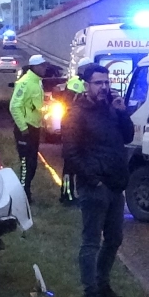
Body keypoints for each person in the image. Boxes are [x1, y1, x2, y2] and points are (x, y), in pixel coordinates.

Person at [64, 62, 134, 297]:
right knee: (91, 241)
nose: (104, 87)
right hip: (95, 187)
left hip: (115, 186)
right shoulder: (77, 114)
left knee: (114, 239)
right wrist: (92, 180)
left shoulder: (112, 109)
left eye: (106, 82)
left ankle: (103, 283)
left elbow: (127, 137)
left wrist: (123, 113)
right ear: (86, 85)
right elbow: (70, 153)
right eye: (98, 83)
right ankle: (90, 292)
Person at [8, 54, 46, 200]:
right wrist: (23, 127)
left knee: (32, 163)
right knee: (26, 163)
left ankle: (26, 191)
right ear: (34, 67)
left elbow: (35, 105)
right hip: (25, 129)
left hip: (34, 127)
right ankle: (23, 194)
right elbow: (14, 106)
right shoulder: (25, 82)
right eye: (42, 66)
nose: (44, 68)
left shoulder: (37, 81)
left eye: (44, 65)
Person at [57, 68, 87, 204]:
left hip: (72, 127)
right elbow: (71, 103)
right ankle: (67, 196)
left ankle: (69, 194)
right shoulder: (77, 83)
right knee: (69, 167)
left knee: (71, 167)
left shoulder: (77, 82)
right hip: (71, 128)